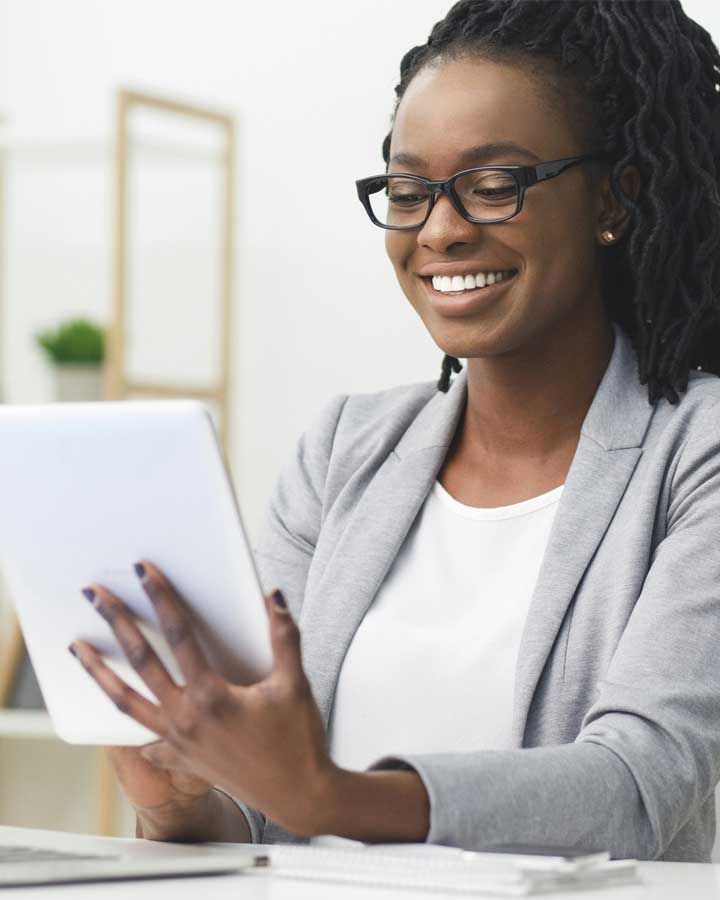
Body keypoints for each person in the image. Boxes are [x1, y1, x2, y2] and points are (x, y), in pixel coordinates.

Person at [69, 0, 720, 861]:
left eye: (494, 186)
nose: (441, 231)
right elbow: (269, 818)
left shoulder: (695, 453)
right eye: (409, 193)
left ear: (614, 198)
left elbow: (636, 787)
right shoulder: (344, 451)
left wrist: (332, 793)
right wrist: (186, 804)